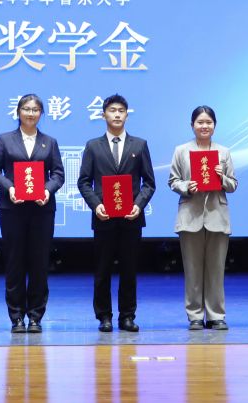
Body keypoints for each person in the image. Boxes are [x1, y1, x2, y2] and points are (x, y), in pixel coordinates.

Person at [0, 94, 65, 333]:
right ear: (18, 111)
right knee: (14, 263)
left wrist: (47, 190)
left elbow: (58, 174)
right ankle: (17, 317)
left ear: (41, 114)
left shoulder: (49, 142)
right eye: (26, 109)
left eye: (36, 109)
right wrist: (9, 188)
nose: (31, 113)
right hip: (13, 209)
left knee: (39, 264)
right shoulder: (5, 139)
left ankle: (36, 317)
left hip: (42, 210)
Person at [78, 94, 156, 333]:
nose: (117, 114)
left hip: (131, 218)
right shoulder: (93, 146)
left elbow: (149, 183)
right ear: (103, 115)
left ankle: (127, 316)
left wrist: (139, 205)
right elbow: (84, 182)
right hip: (104, 218)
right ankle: (104, 316)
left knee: (129, 270)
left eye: (121, 110)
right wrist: (96, 205)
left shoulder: (139, 145)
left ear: (127, 115)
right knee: (102, 271)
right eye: (112, 110)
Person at [167, 105, 238, 330]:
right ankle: (195, 315)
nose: (204, 126)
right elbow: (173, 181)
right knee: (192, 270)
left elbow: (233, 184)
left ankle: (216, 315)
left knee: (216, 270)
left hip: (218, 215)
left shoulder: (224, 152)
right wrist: (186, 186)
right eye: (200, 122)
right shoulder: (181, 150)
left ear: (214, 126)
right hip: (190, 216)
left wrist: (222, 178)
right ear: (192, 125)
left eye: (208, 122)